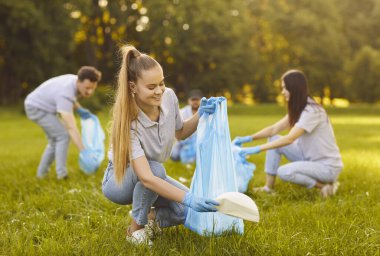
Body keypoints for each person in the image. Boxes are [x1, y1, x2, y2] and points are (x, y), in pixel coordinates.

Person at [101, 45, 219, 246]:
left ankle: (147, 219)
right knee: (156, 171)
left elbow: (180, 132)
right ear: (132, 87)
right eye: (151, 87)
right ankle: (135, 230)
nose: (159, 91)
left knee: (185, 211)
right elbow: (146, 177)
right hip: (119, 180)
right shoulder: (128, 122)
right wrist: (189, 197)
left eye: (161, 83)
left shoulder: (169, 97)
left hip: (152, 176)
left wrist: (201, 114)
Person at [233, 69, 343, 198]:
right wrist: (248, 138)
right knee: (273, 138)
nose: (282, 92)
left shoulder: (312, 111)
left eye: (285, 88)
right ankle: (268, 188)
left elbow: (290, 139)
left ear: (294, 88)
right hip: (308, 158)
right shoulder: (300, 108)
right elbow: (274, 129)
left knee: (284, 172)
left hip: (327, 167)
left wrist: (257, 149)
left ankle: (325, 187)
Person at [24, 66, 101, 179]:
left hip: (41, 106)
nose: (89, 92)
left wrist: (79, 109)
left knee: (55, 141)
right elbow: (71, 127)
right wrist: (84, 151)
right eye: (87, 88)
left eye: (92, 88)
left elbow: (71, 99)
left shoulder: (74, 81)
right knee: (63, 136)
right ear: (79, 82)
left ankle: (41, 175)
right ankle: (62, 175)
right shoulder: (65, 93)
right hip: (36, 108)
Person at [170, 89, 203, 162]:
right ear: (189, 101)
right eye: (193, 100)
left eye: (197, 99)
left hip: (200, 141)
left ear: (201, 100)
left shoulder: (206, 112)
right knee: (175, 154)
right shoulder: (182, 112)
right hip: (185, 141)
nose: (195, 102)